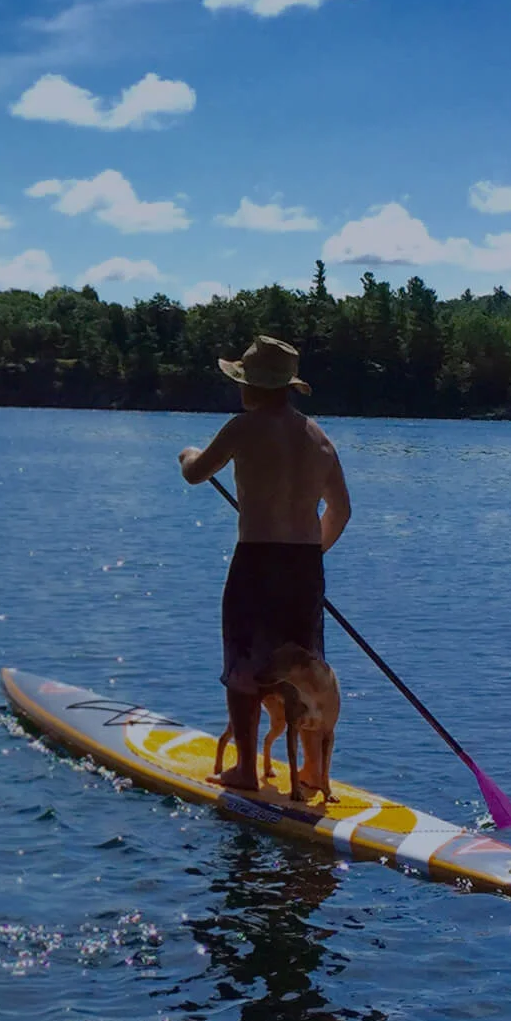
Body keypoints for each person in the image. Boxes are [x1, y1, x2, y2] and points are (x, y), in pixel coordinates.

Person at [177, 335, 351, 791]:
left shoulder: (243, 427)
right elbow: (341, 511)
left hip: (256, 561)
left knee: (245, 663)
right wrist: (312, 553)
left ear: (251, 387)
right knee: (301, 664)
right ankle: (313, 771)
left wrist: (187, 456)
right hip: (304, 568)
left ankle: (246, 770)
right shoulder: (319, 437)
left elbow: (197, 473)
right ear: (288, 386)